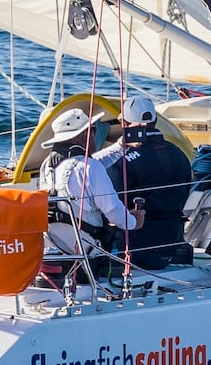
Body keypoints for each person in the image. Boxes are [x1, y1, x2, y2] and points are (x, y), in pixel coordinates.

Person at [96, 93, 192, 270]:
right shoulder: (180, 155)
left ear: (124, 124)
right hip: (171, 241)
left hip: (133, 248)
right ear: (155, 121)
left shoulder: (120, 161)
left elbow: (109, 206)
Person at [42, 105, 144, 255]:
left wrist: (121, 146)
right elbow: (114, 213)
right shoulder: (90, 168)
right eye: (94, 130)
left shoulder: (48, 165)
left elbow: (87, 165)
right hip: (87, 255)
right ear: (84, 135)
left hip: (56, 248)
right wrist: (134, 221)